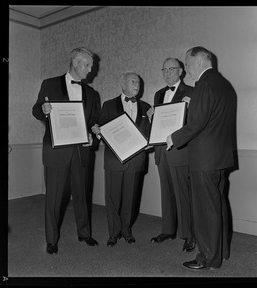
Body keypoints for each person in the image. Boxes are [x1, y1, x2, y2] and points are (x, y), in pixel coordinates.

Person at [166, 46, 237, 270]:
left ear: (199, 60)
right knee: (218, 206)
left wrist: (173, 138)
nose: (186, 69)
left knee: (205, 210)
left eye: (187, 64)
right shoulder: (225, 84)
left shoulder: (204, 84)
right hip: (221, 157)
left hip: (204, 159)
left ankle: (207, 258)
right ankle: (221, 252)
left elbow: (197, 123)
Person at [32, 47, 101, 255]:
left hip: (81, 151)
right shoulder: (50, 84)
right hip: (56, 151)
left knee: (82, 194)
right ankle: (51, 240)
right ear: (75, 62)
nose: (90, 70)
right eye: (87, 65)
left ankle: (84, 233)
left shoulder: (91, 93)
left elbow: (93, 122)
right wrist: (43, 111)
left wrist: (92, 134)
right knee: (53, 197)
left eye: (91, 66)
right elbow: (36, 109)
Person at [91, 72, 151, 247]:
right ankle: (113, 233)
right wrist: (97, 132)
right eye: (133, 82)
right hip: (114, 159)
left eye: (139, 82)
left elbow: (149, 132)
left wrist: (150, 140)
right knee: (113, 197)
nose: (137, 85)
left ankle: (126, 230)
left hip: (136, 159)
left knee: (130, 198)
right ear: (123, 84)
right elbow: (101, 129)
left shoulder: (147, 107)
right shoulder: (109, 105)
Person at [147, 58, 195, 252]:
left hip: (180, 150)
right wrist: (151, 118)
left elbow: (196, 123)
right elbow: (159, 123)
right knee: (166, 192)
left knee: (183, 193)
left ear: (181, 71)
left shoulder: (192, 92)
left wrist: (190, 108)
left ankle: (188, 234)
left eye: (172, 69)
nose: (167, 73)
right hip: (161, 150)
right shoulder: (159, 94)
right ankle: (168, 229)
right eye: (164, 69)